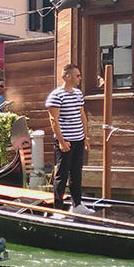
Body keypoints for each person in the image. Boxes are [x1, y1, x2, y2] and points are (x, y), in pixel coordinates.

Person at [46, 64, 92, 215]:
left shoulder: (78, 94)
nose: (80, 78)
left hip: (79, 139)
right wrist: (61, 141)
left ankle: (77, 204)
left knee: (76, 173)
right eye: (77, 75)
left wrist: (86, 137)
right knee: (62, 174)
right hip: (65, 141)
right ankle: (58, 209)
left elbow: (82, 115)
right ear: (67, 77)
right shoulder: (56, 95)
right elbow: (54, 120)